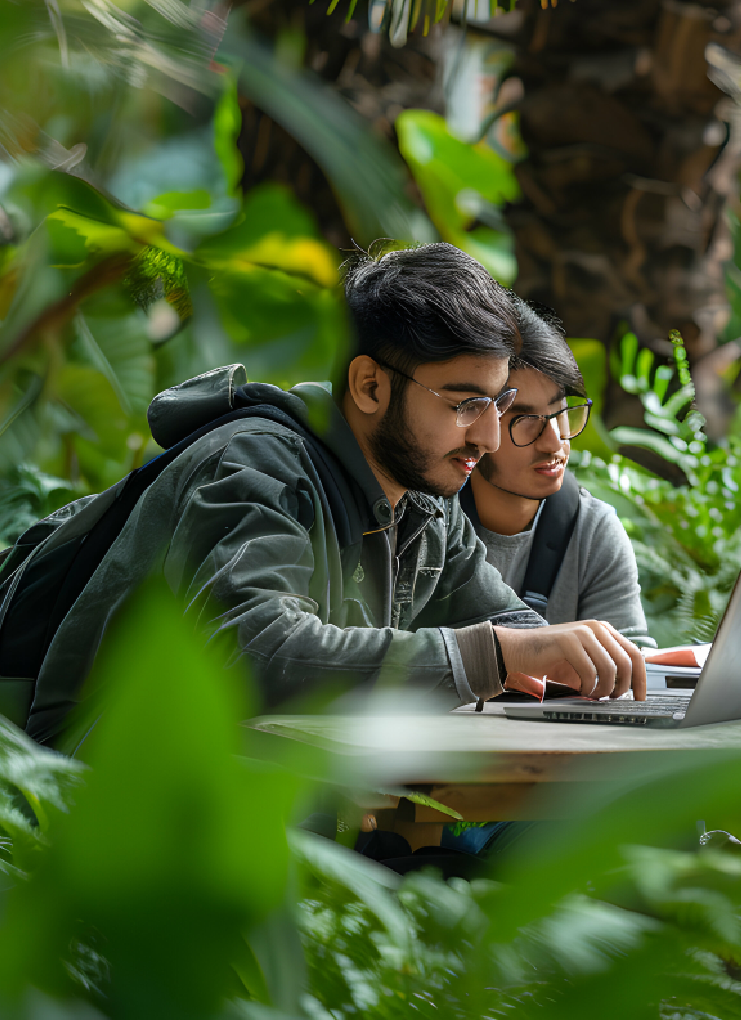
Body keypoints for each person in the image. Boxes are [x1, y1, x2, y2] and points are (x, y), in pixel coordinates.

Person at [3, 243, 644, 747]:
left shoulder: (426, 502)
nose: (487, 433)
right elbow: (254, 649)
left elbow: (512, 631)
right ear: (368, 386)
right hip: (105, 798)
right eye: (464, 402)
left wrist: (591, 658)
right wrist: (499, 655)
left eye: (498, 402)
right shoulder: (257, 466)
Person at [460, 303, 654, 647]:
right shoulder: (426, 525)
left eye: (561, 411)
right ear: (475, 421)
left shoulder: (592, 531)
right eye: (524, 419)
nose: (554, 443)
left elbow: (631, 662)